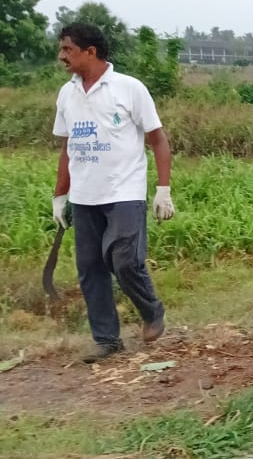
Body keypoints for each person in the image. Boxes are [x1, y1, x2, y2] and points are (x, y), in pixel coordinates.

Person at [51, 23, 175, 363]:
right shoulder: (67, 94)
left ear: (90, 52)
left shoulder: (128, 88)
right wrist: (60, 195)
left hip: (124, 190)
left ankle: (151, 310)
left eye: (68, 49)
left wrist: (163, 189)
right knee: (90, 267)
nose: (61, 56)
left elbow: (158, 139)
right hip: (84, 195)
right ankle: (107, 340)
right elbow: (67, 148)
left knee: (124, 259)